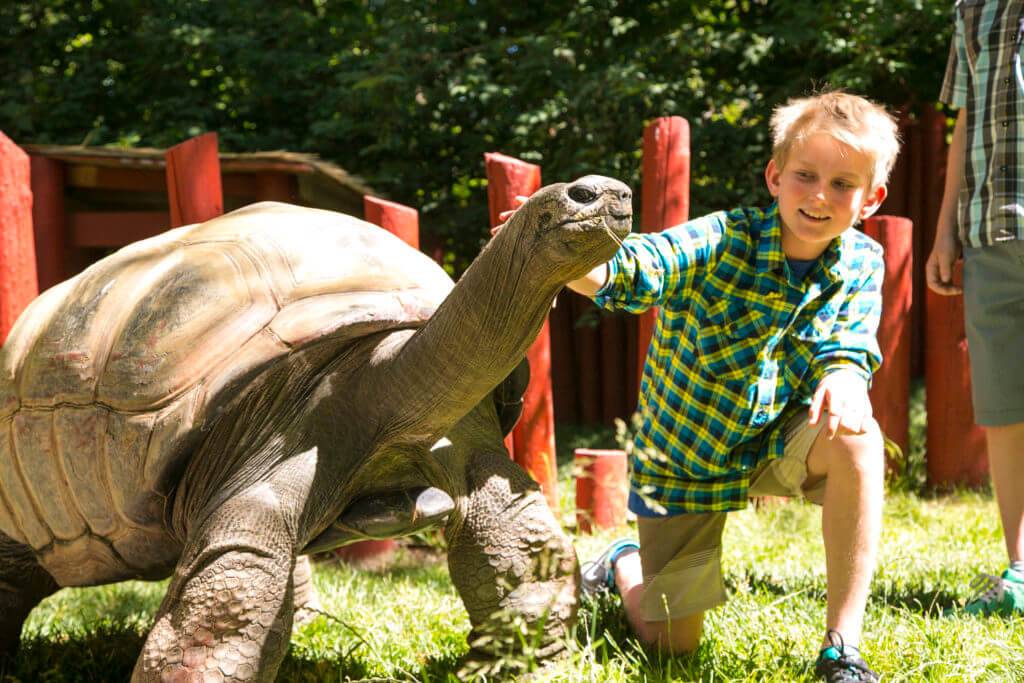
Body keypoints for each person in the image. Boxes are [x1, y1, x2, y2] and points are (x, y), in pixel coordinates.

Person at [498, 91, 898, 682]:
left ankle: (842, 650)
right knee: (670, 645)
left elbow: (848, 346)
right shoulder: (723, 239)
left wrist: (845, 376)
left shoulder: (863, 259)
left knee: (860, 438)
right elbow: (638, 266)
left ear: (871, 199)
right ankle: (623, 564)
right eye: (805, 176)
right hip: (686, 457)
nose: (819, 196)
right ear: (774, 176)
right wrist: (565, 258)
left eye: (842, 184)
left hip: (777, 438)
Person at [927, 0, 1024, 617]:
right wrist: (944, 230)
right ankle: (1020, 568)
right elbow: (964, 121)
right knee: (1004, 405)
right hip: (990, 232)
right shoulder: (973, 9)